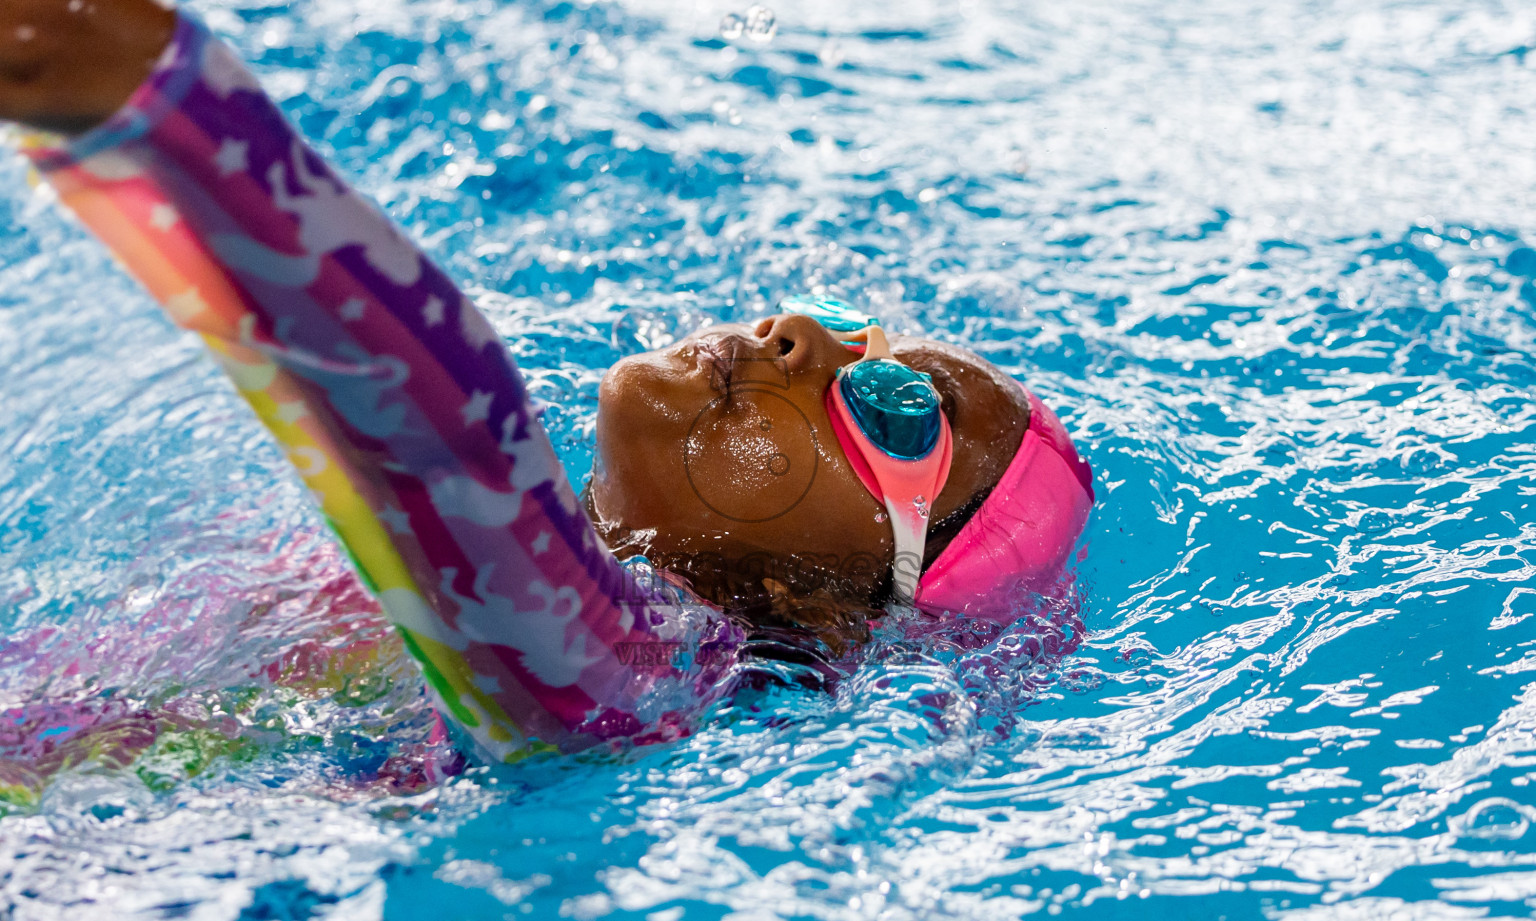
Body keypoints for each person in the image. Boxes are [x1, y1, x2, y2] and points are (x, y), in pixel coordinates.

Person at [0, 0, 1094, 765]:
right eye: (863, 340)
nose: (802, 334)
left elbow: (440, 440)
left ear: (830, 601)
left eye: (896, 416)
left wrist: (152, 94)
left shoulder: (631, 688)